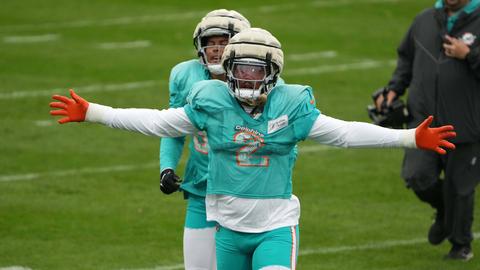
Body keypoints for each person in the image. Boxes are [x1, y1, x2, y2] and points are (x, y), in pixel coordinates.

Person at [50, 28, 456, 270]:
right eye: (239, 69)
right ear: (227, 70)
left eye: (254, 70)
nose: (246, 77)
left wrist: (407, 137)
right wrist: (94, 112)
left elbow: (344, 133)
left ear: (272, 71)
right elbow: (157, 122)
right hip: (226, 228)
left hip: (275, 226)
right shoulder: (209, 101)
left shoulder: (292, 104)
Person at [374, 0, 480, 261]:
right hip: (424, 124)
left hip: (466, 125)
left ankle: (460, 246)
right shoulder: (423, 20)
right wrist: (393, 90)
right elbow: (406, 60)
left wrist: (470, 54)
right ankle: (445, 208)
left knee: (460, 188)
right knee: (417, 175)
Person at [158, 9, 250, 270]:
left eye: (224, 43)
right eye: (211, 43)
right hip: (202, 188)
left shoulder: (262, 83)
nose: (216, 50)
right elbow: (173, 129)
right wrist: (167, 167)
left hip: (246, 192)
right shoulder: (186, 76)